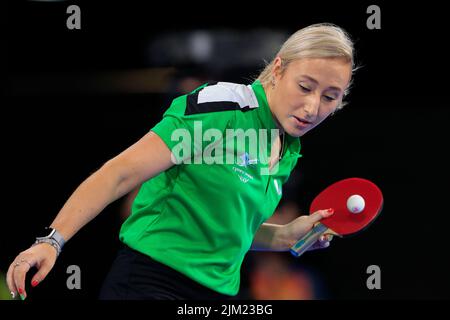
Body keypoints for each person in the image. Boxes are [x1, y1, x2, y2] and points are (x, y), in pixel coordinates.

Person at [6, 23, 356, 300]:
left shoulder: (287, 146)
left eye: (330, 97)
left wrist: (282, 236)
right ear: (278, 69)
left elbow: (222, 228)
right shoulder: (223, 109)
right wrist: (51, 241)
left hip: (215, 296)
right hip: (152, 281)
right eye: (305, 86)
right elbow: (119, 173)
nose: (313, 108)